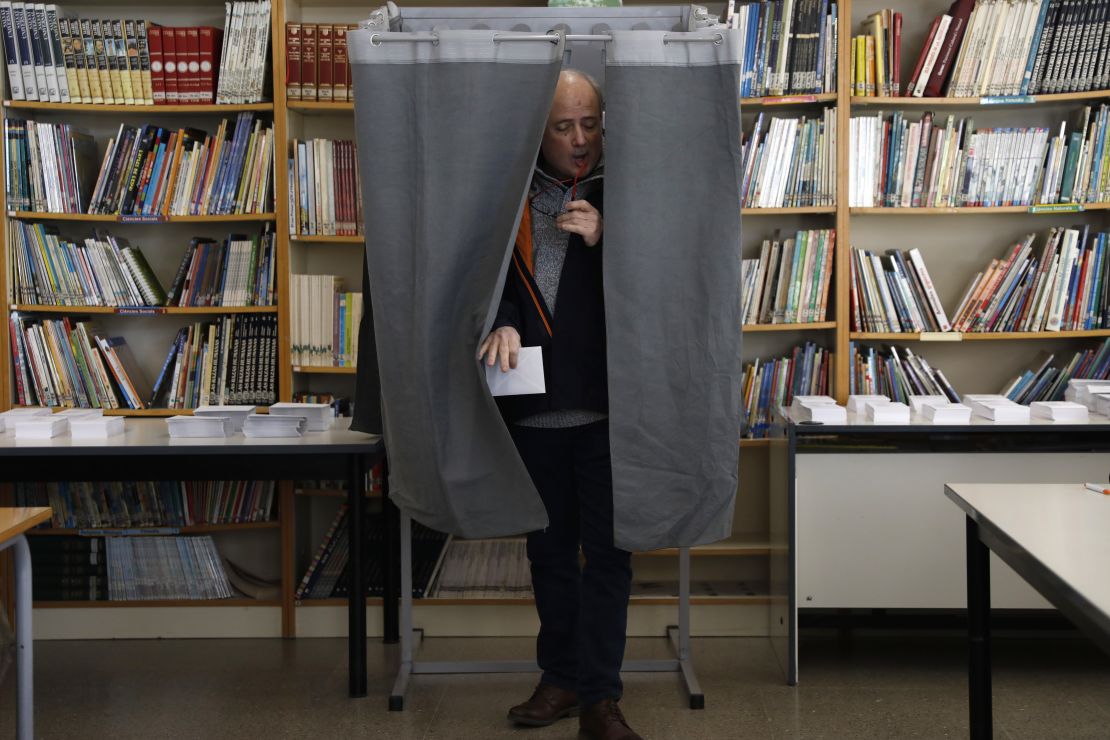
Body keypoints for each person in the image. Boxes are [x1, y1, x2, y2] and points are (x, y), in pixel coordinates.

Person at [478, 69, 642, 740]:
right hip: (535, 410)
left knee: (607, 555)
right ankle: (562, 678)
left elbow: (651, 290)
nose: (580, 140)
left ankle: (601, 698)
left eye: (590, 124)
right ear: (537, 132)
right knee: (548, 554)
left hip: (608, 412)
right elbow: (492, 279)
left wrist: (610, 238)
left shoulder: (627, 193)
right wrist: (503, 320)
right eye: (563, 126)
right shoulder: (511, 196)